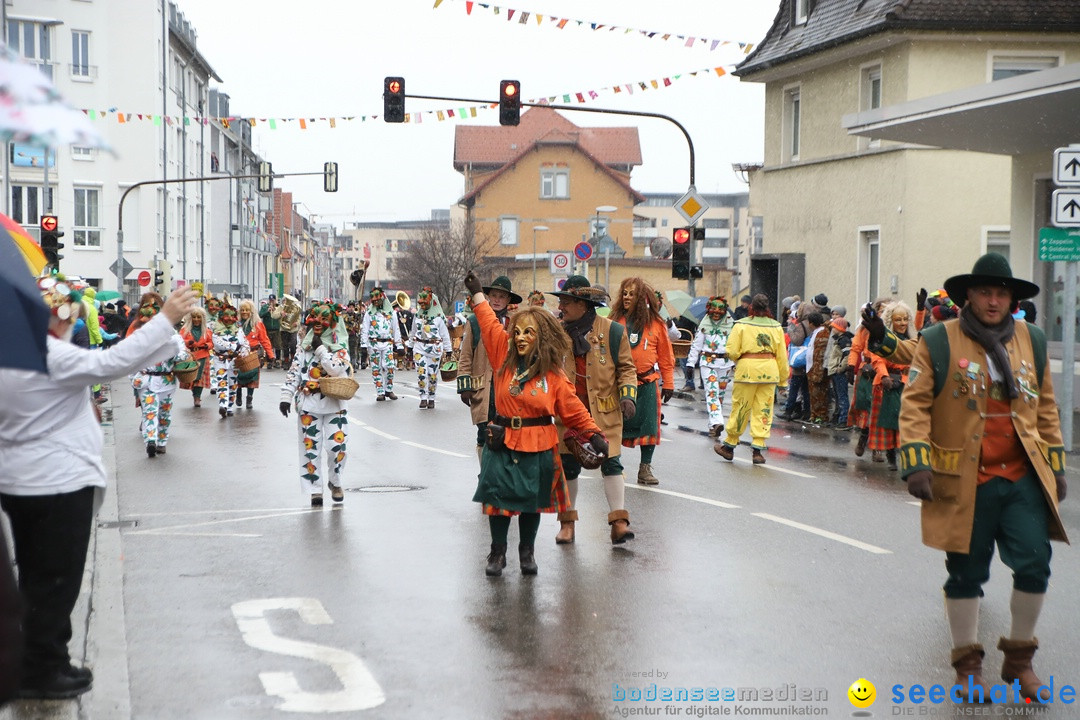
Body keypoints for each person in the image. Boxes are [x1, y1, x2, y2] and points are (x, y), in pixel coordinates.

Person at [0, 281, 198, 700]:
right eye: (64, 312)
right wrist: (165, 318)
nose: (68, 319)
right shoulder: (47, 354)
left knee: (37, 573)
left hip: (21, 480)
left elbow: (112, 364)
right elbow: (114, 363)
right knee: (55, 578)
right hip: (58, 481)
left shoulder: (12, 352)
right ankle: (44, 667)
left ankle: (40, 661)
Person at [895, 253, 1066, 702]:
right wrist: (915, 463)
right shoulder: (938, 340)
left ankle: (1020, 660)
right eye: (986, 292)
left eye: (1002, 293)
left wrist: (1056, 464)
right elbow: (914, 406)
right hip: (962, 478)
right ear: (968, 295)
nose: (994, 301)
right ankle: (968, 666)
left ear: (1012, 299)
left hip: (1020, 475)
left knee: (1035, 562)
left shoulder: (1033, 340)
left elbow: (1045, 408)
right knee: (966, 573)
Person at [463, 272, 606, 576]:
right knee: (498, 504)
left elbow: (572, 408)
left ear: (541, 337)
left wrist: (593, 434)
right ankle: (497, 553)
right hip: (501, 441)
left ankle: (526, 553)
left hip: (539, 444)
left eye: (529, 333)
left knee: (531, 504)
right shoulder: (503, 354)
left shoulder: (553, 373)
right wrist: (478, 294)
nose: (521, 338)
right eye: (517, 332)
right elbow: (489, 323)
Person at [548, 275, 638, 545]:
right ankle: (567, 524)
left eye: (566, 301)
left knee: (612, 464)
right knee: (568, 468)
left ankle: (619, 522)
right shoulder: (556, 334)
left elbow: (626, 369)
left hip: (605, 413)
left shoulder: (612, 331)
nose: (561, 306)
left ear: (583, 304)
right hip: (568, 415)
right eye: (561, 301)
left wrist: (629, 396)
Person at [279, 301, 352, 507]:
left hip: (335, 405)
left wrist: (321, 349)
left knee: (337, 448)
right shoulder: (303, 348)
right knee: (311, 449)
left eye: (324, 319)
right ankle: (315, 489)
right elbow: (294, 372)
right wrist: (286, 396)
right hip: (308, 405)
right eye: (315, 319)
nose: (318, 323)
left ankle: (335, 482)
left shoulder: (340, 348)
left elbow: (337, 370)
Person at [608, 277, 675, 486]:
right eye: (625, 293)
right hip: (618, 383)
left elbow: (666, 356)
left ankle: (645, 468)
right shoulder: (614, 321)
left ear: (642, 298)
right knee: (614, 425)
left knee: (649, 427)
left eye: (632, 294)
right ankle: (613, 465)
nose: (627, 297)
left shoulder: (657, 325)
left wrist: (670, 383)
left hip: (647, 383)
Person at [714, 294, 789, 465]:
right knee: (764, 409)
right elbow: (782, 357)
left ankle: (730, 445)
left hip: (747, 370)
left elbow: (732, 350)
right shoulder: (776, 326)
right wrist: (783, 381)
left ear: (751, 308)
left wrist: (740, 359)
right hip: (769, 371)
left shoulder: (741, 325)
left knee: (741, 407)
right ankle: (757, 449)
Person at [458, 276, 520, 463]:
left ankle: (504, 474)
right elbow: (466, 355)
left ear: (508, 300)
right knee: (485, 433)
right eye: (494, 295)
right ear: (487, 296)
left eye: (502, 296)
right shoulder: (475, 322)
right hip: (484, 389)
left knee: (508, 434)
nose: (497, 300)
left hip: (508, 388)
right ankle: (485, 474)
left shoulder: (516, 323)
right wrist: (464, 385)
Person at [129, 293, 188, 457]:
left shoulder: (172, 335)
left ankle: (162, 441)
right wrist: (133, 378)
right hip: (146, 380)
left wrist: (175, 355)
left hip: (166, 380)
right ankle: (150, 441)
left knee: (164, 413)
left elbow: (182, 353)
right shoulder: (138, 334)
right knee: (149, 411)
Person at [865, 301, 912, 469]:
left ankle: (905, 455)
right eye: (898, 320)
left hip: (905, 385)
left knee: (904, 423)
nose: (902, 323)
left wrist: (920, 310)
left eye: (905, 319)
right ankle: (890, 455)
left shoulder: (911, 339)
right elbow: (877, 358)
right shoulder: (886, 339)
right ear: (892, 321)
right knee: (887, 423)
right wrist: (884, 376)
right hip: (886, 385)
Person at [686, 297, 736, 438]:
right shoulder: (704, 324)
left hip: (725, 364)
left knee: (719, 395)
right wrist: (690, 363)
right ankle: (718, 422)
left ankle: (712, 425)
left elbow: (736, 345)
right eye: (713, 309)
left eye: (720, 310)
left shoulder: (731, 325)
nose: (716, 313)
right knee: (712, 393)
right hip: (707, 363)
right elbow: (697, 345)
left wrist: (737, 364)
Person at [409, 287, 453, 409]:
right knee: (421, 373)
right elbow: (413, 332)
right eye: (420, 303)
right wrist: (409, 346)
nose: (422, 306)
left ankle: (432, 397)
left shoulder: (439, 317)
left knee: (432, 375)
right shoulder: (417, 316)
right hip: (419, 347)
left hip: (434, 349)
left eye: (425, 303)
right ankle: (423, 397)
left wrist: (448, 349)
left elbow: (444, 334)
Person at [360, 287, 404, 401]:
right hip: (374, 344)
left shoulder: (391, 313)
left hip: (388, 343)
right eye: (373, 300)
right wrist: (363, 345)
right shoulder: (369, 313)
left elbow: (396, 329)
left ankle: (389, 389)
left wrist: (399, 345)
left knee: (390, 366)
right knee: (376, 368)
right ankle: (380, 392)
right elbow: (365, 329)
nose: (375, 302)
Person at [210, 304, 251, 418]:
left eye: (231, 316)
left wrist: (245, 352)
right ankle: (223, 405)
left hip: (234, 360)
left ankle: (230, 407)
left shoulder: (238, 329)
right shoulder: (216, 328)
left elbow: (245, 343)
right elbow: (217, 342)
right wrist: (233, 346)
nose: (229, 319)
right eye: (226, 316)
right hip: (220, 359)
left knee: (233, 383)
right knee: (221, 381)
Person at [237, 299, 275, 410]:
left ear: (251, 311)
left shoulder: (258, 324)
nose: (244, 312)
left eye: (247, 310)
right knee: (237, 376)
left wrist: (270, 354)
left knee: (252, 378)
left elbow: (265, 340)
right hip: (239, 354)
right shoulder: (236, 324)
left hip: (253, 355)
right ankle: (238, 393)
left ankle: (249, 398)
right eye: (242, 310)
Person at [179, 307, 213, 407]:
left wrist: (208, 345)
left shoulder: (206, 331)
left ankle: (197, 397)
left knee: (200, 379)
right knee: (192, 378)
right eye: (194, 317)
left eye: (199, 317)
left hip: (203, 355)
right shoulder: (185, 330)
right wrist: (188, 342)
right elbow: (179, 341)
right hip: (190, 356)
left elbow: (211, 342)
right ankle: (195, 395)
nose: (196, 319)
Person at [823, 317, 853, 428]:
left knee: (842, 396)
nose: (832, 329)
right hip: (836, 371)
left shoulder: (843, 340)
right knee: (839, 396)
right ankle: (839, 418)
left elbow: (847, 356)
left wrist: (840, 368)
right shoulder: (839, 339)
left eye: (834, 327)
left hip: (839, 372)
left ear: (839, 328)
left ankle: (843, 420)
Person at [804, 312, 830, 424]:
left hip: (817, 370)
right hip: (811, 368)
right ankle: (814, 414)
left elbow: (820, 354)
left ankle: (821, 415)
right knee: (813, 394)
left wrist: (818, 371)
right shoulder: (816, 332)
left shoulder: (822, 333)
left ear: (811, 323)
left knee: (819, 394)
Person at [274, 294, 302, 370]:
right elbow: (274, 316)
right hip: (284, 329)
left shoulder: (295, 308)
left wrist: (297, 323)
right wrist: (281, 314)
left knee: (293, 345)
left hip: (293, 329)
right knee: (285, 346)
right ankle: (286, 362)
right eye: (285, 300)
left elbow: (298, 317)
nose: (287, 302)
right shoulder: (281, 308)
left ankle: (292, 361)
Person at [259, 295, 283, 368]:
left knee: (278, 345)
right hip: (267, 329)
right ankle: (269, 361)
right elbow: (260, 315)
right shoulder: (265, 307)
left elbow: (282, 315)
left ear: (275, 300)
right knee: (268, 346)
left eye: (273, 300)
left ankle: (278, 360)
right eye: (270, 300)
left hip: (276, 329)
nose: (272, 301)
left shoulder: (279, 307)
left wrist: (276, 310)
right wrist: (267, 311)